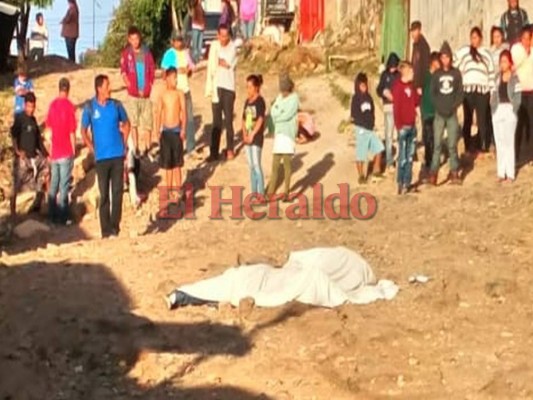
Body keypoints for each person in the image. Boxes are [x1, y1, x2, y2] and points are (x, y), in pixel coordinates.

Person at [81, 75, 130, 239]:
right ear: (99, 88)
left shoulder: (116, 105)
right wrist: (91, 147)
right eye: (107, 85)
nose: (110, 88)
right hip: (101, 158)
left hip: (117, 155)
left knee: (117, 192)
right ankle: (105, 230)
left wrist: (123, 143)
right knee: (104, 195)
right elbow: (83, 131)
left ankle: (115, 228)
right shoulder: (89, 107)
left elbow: (127, 123)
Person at [455, 27, 495, 155]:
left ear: (481, 39)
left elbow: (491, 72)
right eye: (472, 37)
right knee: (468, 118)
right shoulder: (465, 51)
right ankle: (468, 146)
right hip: (468, 90)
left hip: (482, 91)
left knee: (482, 119)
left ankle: (483, 146)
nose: (474, 40)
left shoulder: (486, 53)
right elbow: (455, 61)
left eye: (476, 37)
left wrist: (492, 89)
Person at [430, 41, 464, 185]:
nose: (445, 60)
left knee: (452, 145)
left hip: (452, 114)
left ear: (451, 58)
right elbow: (432, 94)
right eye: (443, 57)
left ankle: (454, 172)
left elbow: (460, 93)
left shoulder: (456, 73)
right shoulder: (436, 75)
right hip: (439, 114)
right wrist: (440, 107)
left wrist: (453, 106)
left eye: (447, 57)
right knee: (437, 145)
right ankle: (433, 173)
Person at [10, 93, 49, 217]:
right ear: (25, 105)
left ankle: (41, 203)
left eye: (33, 107)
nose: (31, 109)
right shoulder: (19, 118)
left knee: (48, 169)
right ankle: (12, 213)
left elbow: (38, 140)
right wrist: (17, 151)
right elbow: (14, 136)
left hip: (34, 156)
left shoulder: (33, 120)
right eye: (29, 106)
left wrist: (46, 154)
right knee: (16, 185)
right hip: (22, 157)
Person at [120, 26, 155, 156]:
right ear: (129, 39)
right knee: (133, 121)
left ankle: (147, 147)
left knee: (148, 122)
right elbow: (123, 70)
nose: (135, 41)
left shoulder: (146, 52)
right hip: (133, 94)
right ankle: (136, 147)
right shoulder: (126, 54)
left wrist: (149, 85)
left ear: (140, 38)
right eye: (132, 39)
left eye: (137, 38)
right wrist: (128, 84)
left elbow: (152, 69)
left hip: (145, 93)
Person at [46, 78, 77, 225]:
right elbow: (72, 130)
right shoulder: (70, 106)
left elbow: (48, 130)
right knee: (64, 185)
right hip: (65, 151)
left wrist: (50, 148)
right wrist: (74, 149)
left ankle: (51, 215)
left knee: (54, 184)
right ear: (68, 89)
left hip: (55, 152)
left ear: (59, 88)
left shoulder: (52, 105)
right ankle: (64, 216)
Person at [161, 31, 196, 158]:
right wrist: (176, 70)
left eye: (180, 40)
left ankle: (191, 147)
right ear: (172, 41)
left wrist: (188, 70)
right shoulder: (169, 54)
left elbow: (192, 69)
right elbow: (164, 73)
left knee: (189, 119)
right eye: (176, 40)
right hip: (174, 92)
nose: (179, 42)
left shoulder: (186, 53)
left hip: (185, 89)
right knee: (176, 120)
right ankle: (178, 148)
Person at [205, 24, 237, 162]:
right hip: (216, 86)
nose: (223, 38)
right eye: (221, 36)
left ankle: (230, 149)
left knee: (228, 120)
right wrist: (216, 60)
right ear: (217, 35)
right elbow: (213, 63)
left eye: (226, 36)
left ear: (229, 35)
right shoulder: (215, 46)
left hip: (228, 88)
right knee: (216, 122)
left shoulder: (232, 48)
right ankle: (214, 152)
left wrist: (216, 60)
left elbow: (226, 63)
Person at [155, 67, 186, 204]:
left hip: (176, 131)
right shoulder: (162, 94)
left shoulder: (180, 94)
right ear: (167, 78)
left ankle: (178, 189)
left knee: (177, 163)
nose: (176, 80)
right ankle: (168, 190)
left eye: (176, 77)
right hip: (166, 132)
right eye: (174, 77)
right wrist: (157, 130)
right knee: (167, 163)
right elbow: (158, 112)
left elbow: (184, 112)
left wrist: (183, 128)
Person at [265, 75, 299, 201]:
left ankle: (286, 192)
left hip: (288, 135)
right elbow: (274, 111)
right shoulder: (279, 97)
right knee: (275, 166)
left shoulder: (294, 99)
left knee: (287, 166)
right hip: (279, 135)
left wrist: (278, 116)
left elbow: (288, 114)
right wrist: (279, 114)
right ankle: (270, 193)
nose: (283, 92)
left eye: (284, 90)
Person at [491, 50, 521, 183]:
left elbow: (518, 97)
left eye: (505, 61)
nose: (502, 64)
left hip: (509, 109)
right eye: (501, 61)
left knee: (509, 142)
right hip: (498, 109)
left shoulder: (515, 78)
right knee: (500, 141)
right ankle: (500, 172)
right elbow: (493, 94)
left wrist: (514, 109)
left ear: (510, 63)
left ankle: (510, 173)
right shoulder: (497, 77)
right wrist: (493, 109)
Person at [351, 72, 384, 185]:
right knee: (361, 154)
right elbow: (354, 115)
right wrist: (361, 124)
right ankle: (361, 176)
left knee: (379, 148)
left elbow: (372, 112)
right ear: (357, 86)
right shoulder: (356, 99)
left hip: (370, 129)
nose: (364, 87)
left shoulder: (369, 98)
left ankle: (376, 171)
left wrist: (372, 123)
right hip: (361, 129)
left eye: (365, 85)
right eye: (362, 85)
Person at [392, 62, 419, 195]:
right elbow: (396, 108)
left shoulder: (411, 87)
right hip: (403, 127)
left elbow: (415, 101)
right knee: (402, 156)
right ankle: (400, 182)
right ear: (406, 71)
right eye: (412, 71)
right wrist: (399, 126)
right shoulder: (397, 87)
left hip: (412, 125)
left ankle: (407, 183)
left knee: (410, 157)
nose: (413, 74)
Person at [511, 27, 533, 162]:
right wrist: (526, 52)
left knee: (531, 123)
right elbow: (516, 64)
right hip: (519, 91)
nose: (526, 41)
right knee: (518, 123)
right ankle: (516, 154)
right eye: (524, 38)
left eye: (528, 38)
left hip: (531, 91)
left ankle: (531, 155)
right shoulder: (516, 50)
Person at [242, 74, 266, 197]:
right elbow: (244, 119)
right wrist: (245, 134)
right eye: (247, 87)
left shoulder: (260, 101)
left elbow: (260, 119)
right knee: (251, 166)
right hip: (248, 137)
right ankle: (254, 192)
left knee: (256, 165)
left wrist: (252, 134)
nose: (248, 90)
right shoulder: (247, 102)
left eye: (250, 87)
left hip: (256, 138)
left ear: (256, 87)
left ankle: (261, 193)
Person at [376, 52, 400, 170]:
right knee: (389, 135)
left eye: (394, 66)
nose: (393, 68)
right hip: (388, 107)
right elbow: (378, 89)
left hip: (398, 107)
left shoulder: (399, 75)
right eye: (391, 66)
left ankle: (401, 159)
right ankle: (389, 160)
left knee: (400, 134)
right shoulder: (384, 75)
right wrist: (385, 93)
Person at [421, 52, 441, 176]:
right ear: (433, 63)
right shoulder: (426, 76)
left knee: (434, 137)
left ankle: (433, 161)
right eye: (438, 62)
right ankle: (429, 162)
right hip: (426, 111)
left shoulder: (438, 77)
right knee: (427, 137)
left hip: (436, 111)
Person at [410, 21, 431, 94]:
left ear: (419, 30)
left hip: (421, 85)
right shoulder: (415, 45)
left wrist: (420, 85)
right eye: (412, 31)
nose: (412, 34)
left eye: (414, 31)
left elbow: (425, 66)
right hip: (415, 83)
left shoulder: (423, 46)